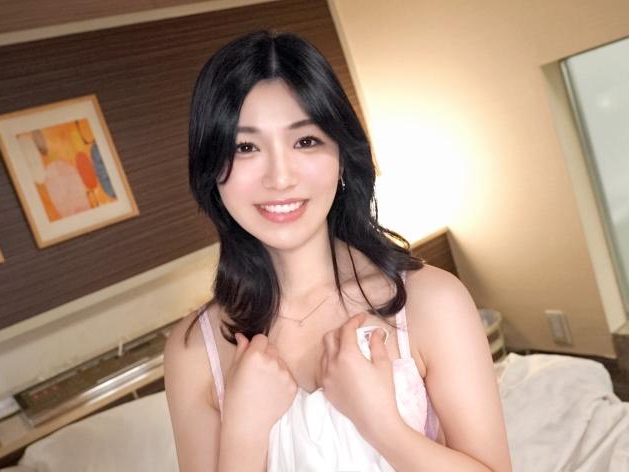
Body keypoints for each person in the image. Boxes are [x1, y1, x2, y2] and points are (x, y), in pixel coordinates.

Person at [164, 30, 511, 472]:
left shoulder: (432, 301)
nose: (280, 177)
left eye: (305, 141)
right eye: (245, 147)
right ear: (212, 169)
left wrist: (382, 426)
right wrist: (243, 434)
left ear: (342, 156)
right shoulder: (194, 349)